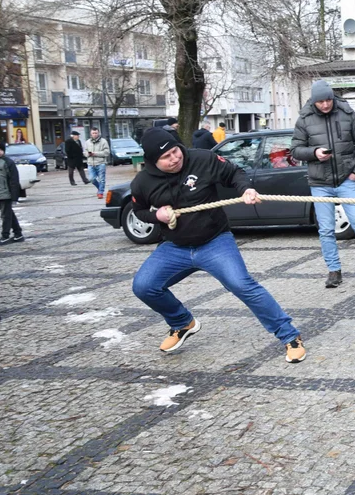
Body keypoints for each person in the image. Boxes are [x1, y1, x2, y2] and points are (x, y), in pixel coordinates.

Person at [130, 127, 307, 363]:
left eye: (175, 151)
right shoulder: (142, 182)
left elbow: (235, 173)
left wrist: (246, 189)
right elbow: (139, 210)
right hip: (175, 247)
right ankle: (182, 322)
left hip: (215, 241)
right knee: (143, 286)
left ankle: (290, 336)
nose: (175, 158)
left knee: (242, 285)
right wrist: (157, 216)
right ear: (152, 161)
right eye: (166, 157)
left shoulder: (202, 159)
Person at [291, 80, 355, 288]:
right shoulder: (304, 118)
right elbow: (295, 150)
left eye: (328, 99)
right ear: (314, 100)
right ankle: (334, 271)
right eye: (321, 101)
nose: (326, 104)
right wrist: (313, 153)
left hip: (347, 181)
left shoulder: (347, 113)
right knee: (326, 230)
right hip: (320, 183)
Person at [0, 142, 24, 245]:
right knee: (9, 214)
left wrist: (14, 196)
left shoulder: (8, 162)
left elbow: (14, 180)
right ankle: (18, 234)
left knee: (5, 215)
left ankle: (5, 236)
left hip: (5, 193)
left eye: (1, 150)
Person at [84, 128, 110, 199]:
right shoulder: (87, 142)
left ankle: (100, 192)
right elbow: (85, 152)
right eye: (93, 133)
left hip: (100, 163)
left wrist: (95, 154)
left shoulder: (103, 141)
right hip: (90, 163)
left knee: (102, 179)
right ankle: (99, 188)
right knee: (92, 179)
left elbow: (107, 152)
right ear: (90, 134)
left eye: (96, 133)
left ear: (98, 133)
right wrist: (88, 154)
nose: (94, 134)